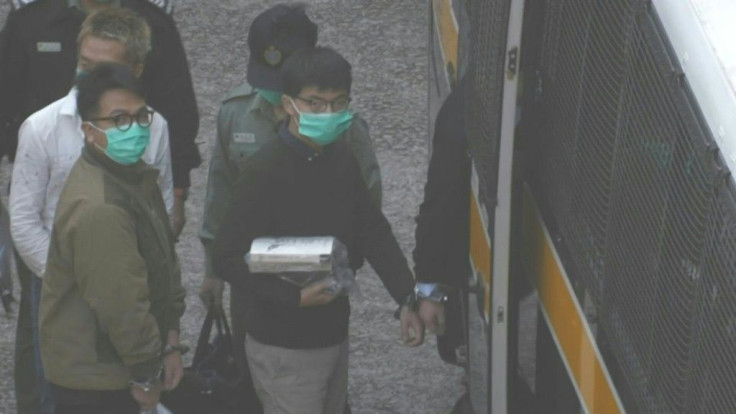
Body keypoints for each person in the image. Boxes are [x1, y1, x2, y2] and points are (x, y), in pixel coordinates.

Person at [213, 46, 424, 414]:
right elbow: (227, 257)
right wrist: (294, 299)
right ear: (289, 104)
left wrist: (406, 297)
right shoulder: (264, 172)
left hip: (332, 335)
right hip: (283, 347)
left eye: (338, 103)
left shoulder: (339, 158)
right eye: (315, 103)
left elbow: (372, 229)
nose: (327, 113)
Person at [198, 5, 382, 403]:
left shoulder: (341, 123)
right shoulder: (235, 113)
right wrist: (213, 269)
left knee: (323, 376)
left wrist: (347, 262)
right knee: (254, 375)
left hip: (319, 273)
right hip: (252, 274)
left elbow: (367, 198)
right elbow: (221, 191)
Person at [9, 8, 174, 413]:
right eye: (85, 65)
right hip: (57, 285)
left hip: (131, 285)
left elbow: (162, 206)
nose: (91, 78)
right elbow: (25, 219)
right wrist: (69, 275)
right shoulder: (41, 128)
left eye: (107, 67)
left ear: (135, 69)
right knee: (61, 388)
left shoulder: (154, 128)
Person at [40, 62, 185, 414]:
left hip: (114, 367)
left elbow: (163, 259)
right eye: (119, 119)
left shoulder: (129, 174)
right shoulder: (100, 205)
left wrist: (169, 338)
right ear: (89, 130)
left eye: (140, 116)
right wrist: (146, 374)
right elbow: (121, 301)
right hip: (100, 379)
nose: (133, 128)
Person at [0, 0, 197, 236]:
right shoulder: (30, 21)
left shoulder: (153, 22)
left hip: (131, 189)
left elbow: (177, 109)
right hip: (46, 193)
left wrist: (177, 191)